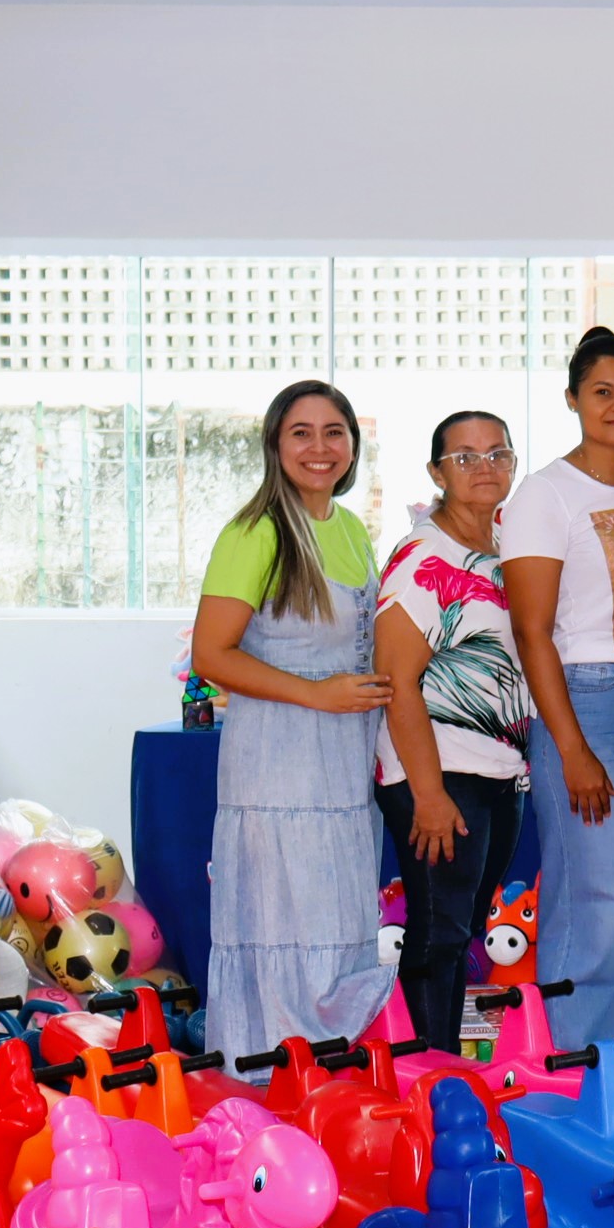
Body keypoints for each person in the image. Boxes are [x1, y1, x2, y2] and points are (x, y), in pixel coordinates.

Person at [189, 380, 397, 1070]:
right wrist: (315, 694)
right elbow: (211, 655)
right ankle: (268, 1078)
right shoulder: (256, 533)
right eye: (300, 433)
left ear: (353, 446)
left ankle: (328, 1074)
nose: (319, 447)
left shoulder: (352, 530)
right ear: (275, 446)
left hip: (344, 762)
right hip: (278, 760)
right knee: (285, 922)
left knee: (335, 921)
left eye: (334, 431)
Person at [501, 326, 614, 1051]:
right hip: (586, 702)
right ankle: (581, 1072)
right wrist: (570, 749)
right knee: (595, 901)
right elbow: (532, 631)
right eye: (602, 391)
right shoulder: (545, 494)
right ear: (572, 399)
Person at [374, 411, 534, 1055]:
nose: (484, 467)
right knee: (439, 932)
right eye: (464, 457)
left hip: (498, 768)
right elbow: (396, 680)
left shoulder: (511, 544)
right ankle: (427, 1076)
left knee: (460, 927)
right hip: (438, 771)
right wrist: (429, 793)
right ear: (437, 473)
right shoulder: (423, 557)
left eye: (498, 453)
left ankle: (444, 1067)